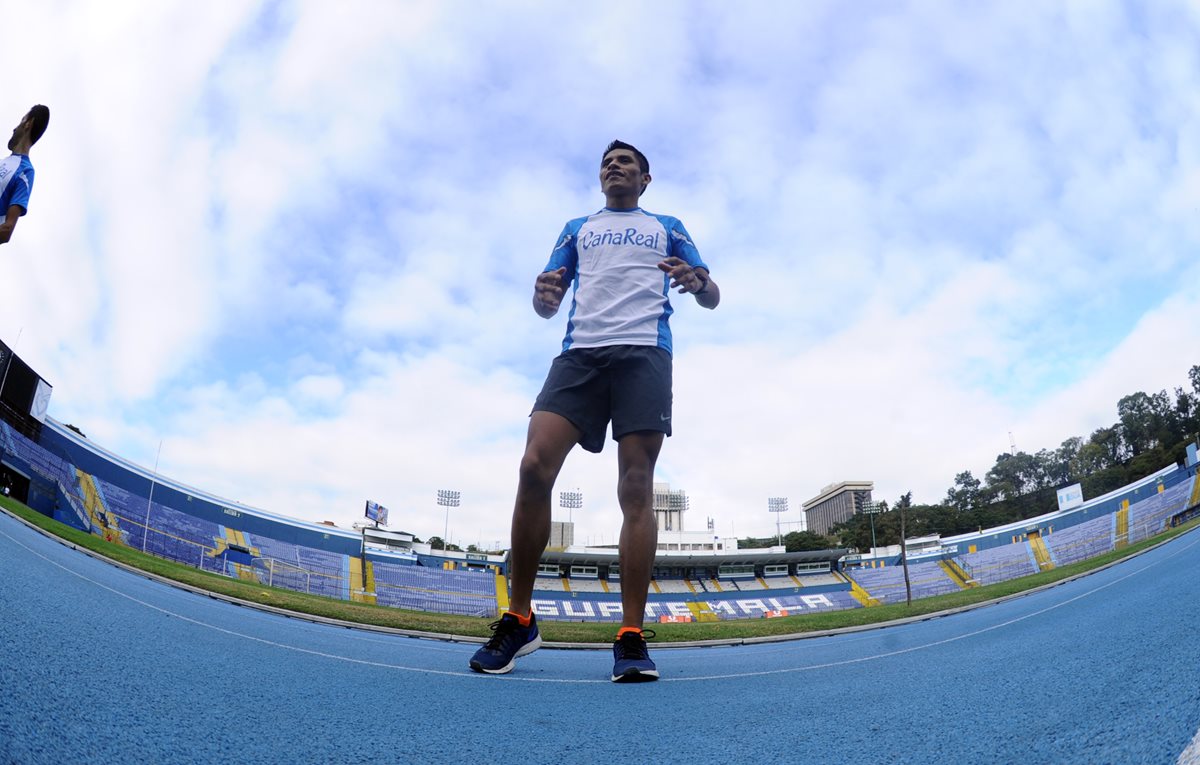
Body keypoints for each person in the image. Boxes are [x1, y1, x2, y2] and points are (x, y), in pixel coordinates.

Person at [469, 140, 720, 682]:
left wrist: (699, 281)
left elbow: (711, 293)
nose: (613, 166)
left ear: (645, 178)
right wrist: (544, 297)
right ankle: (519, 618)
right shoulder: (576, 227)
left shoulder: (668, 225)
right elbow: (546, 302)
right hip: (579, 355)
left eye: (625, 160)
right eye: (607, 161)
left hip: (644, 354)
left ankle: (630, 637)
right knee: (534, 465)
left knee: (636, 486)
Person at [0, 105, 50, 246]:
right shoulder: (3, 162)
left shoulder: (25, 171)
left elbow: (6, 230)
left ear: (28, 124)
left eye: (21, 121)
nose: (14, 128)